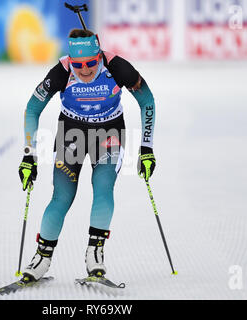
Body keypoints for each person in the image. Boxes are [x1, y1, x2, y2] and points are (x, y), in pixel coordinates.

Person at [18, 29, 156, 282]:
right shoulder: (60, 72)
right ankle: (42, 257)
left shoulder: (118, 68)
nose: (84, 70)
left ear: (100, 57)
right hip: (72, 136)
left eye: (91, 63)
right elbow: (31, 109)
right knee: (62, 196)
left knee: (103, 188)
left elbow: (147, 102)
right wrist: (29, 156)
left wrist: (146, 149)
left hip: (109, 135)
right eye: (77, 64)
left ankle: (95, 252)